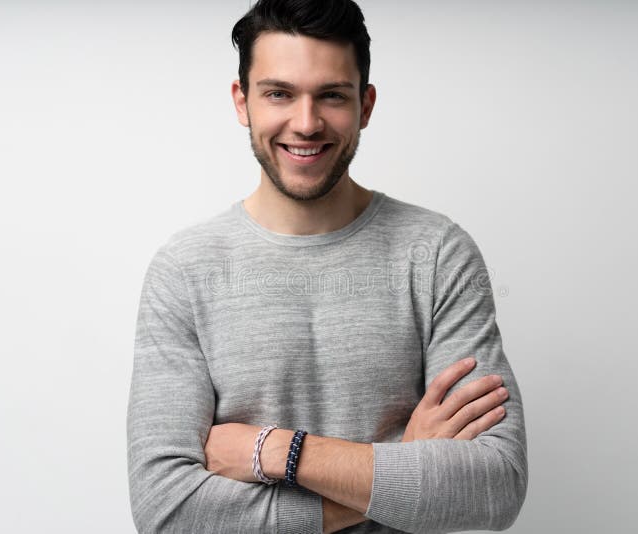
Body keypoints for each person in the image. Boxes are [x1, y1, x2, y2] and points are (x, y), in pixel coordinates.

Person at [126, 0, 528, 532]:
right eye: (279, 94)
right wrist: (398, 467)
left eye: (332, 96)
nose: (306, 123)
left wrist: (276, 450)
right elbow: (167, 511)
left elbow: (494, 486)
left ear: (366, 104)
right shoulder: (183, 270)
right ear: (242, 101)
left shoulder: (438, 254)